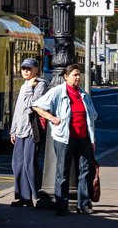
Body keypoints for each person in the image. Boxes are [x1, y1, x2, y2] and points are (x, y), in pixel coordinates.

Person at [32, 65, 98, 215]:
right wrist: (51, 118)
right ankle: (61, 206)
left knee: (85, 170)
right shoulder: (57, 92)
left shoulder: (83, 94)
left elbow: (92, 115)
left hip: (83, 138)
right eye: (74, 75)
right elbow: (36, 106)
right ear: (66, 77)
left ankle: (84, 205)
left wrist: (92, 138)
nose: (78, 77)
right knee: (62, 172)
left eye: (79, 75)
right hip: (64, 138)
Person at [8, 58, 47, 207]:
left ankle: (39, 194)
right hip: (20, 130)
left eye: (29, 69)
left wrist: (31, 88)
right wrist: (13, 130)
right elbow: (18, 109)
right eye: (24, 68)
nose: (26, 71)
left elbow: (33, 104)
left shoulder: (40, 84)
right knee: (18, 164)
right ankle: (23, 197)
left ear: (36, 70)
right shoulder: (25, 84)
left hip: (32, 130)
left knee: (29, 164)